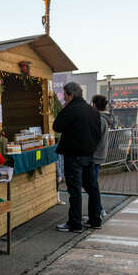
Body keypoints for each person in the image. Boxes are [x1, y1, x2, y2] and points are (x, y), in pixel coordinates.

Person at [52, 82, 102, 232]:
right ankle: (95, 220)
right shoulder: (93, 111)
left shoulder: (71, 109)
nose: (64, 99)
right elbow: (98, 134)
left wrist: (64, 109)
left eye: (64, 96)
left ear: (70, 95)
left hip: (73, 156)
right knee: (92, 188)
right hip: (89, 155)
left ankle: (75, 223)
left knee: (74, 190)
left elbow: (57, 126)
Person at [90, 95, 113, 221]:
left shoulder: (99, 119)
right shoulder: (105, 118)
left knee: (92, 186)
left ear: (94, 105)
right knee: (93, 185)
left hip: (95, 156)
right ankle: (99, 209)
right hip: (99, 155)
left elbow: (93, 138)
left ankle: (98, 210)